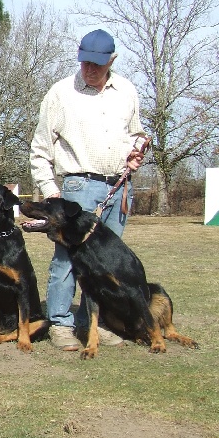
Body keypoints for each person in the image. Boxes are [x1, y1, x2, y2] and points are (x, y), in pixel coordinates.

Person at [29, 29, 148, 351]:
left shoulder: (127, 91)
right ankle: (61, 324)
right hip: (77, 187)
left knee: (105, 264)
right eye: (84, 62)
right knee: (66, 261)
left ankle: (91, 324)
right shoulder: (61, 93)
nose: (89, 69)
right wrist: (50, 190)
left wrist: (138, 150)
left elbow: (136, 134)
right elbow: (40, 149)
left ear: (111, 60)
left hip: (118, 187)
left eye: (97, 64)